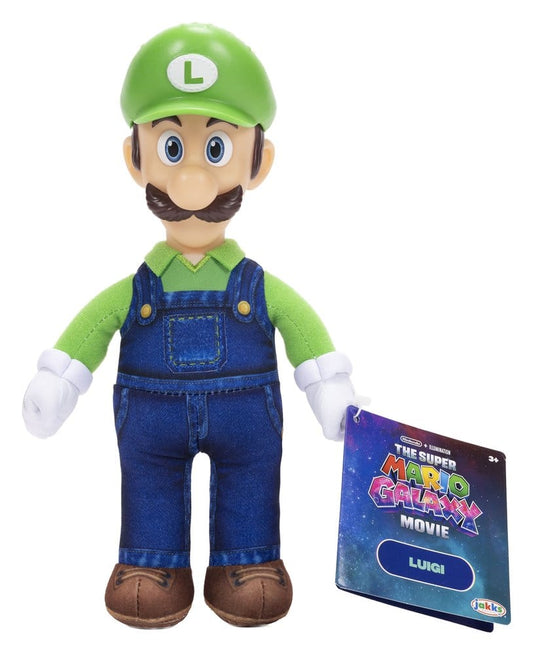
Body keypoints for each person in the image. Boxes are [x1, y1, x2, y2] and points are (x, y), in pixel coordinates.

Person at [22, 23, 364, 628]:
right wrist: (59, 380)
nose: (192, 184)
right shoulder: (135, 289)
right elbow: (95, 325)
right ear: (135, 157)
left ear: (259, 161)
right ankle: (151, 562)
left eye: (218, 149)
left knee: (252, 478)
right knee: (147, 482)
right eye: (172, 148)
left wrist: (329, 389)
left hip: (246, 420)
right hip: (151, 421)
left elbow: (300, 325)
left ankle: (248, 561)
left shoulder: (258, 286)